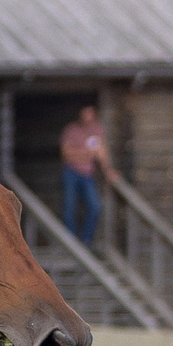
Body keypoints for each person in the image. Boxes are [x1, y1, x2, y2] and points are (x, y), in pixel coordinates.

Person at [58, 104, 114, 245]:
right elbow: (66, 154)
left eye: (89, 114)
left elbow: (101, 153)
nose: (87, 118)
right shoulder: (71, 130)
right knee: (69, 207)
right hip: (71, 172)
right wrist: (87, 154)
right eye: (84, 114)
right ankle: (69, 242)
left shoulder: (97, 130)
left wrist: (108, 170)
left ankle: (86, 241)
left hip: (87, 175)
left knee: (95, 206)